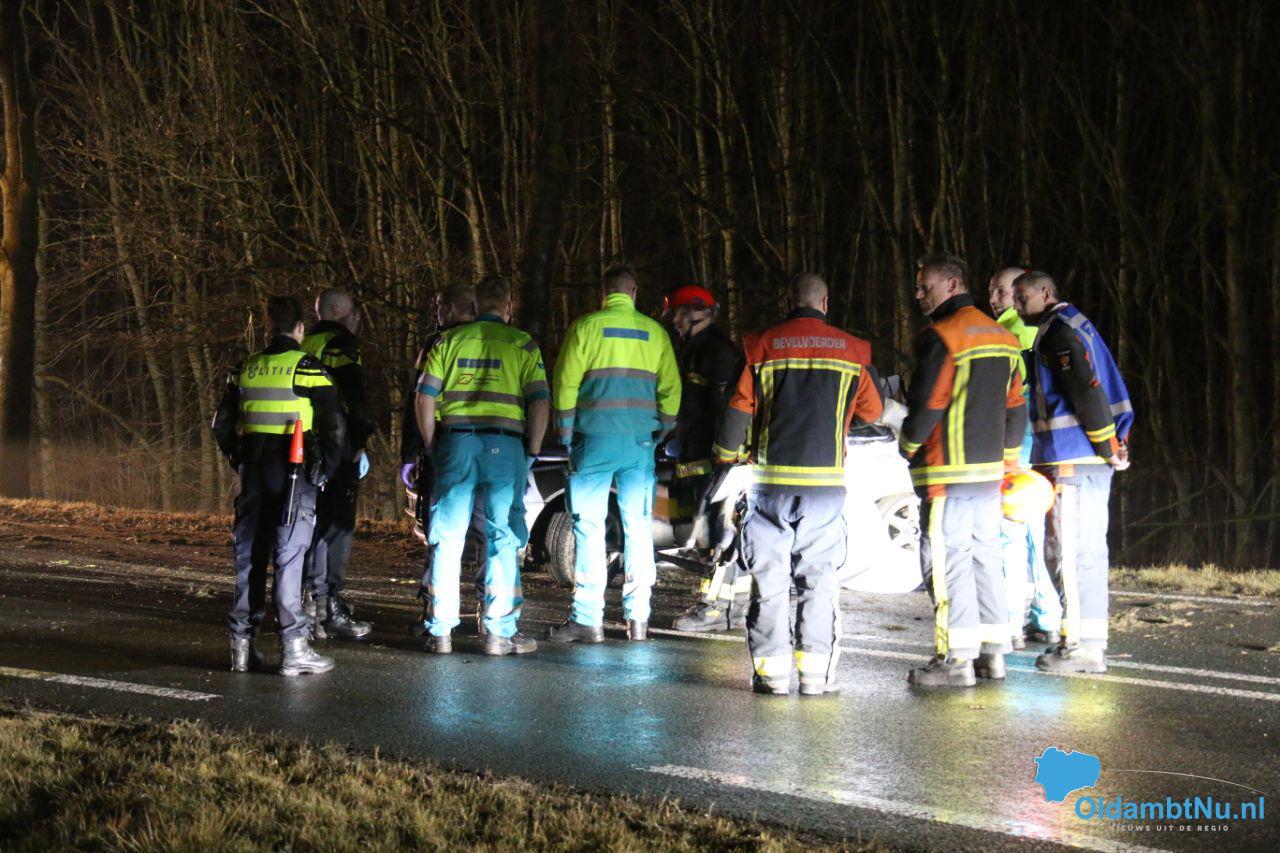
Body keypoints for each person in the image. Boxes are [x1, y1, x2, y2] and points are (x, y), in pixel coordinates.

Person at [713, 272, 883, 695]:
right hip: (824, 491)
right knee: (818, 583)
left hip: (770, 488)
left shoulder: (761, 346)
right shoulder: (853, 351)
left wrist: (724, 455)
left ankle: (771, 676)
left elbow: (738, 410)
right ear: (825, 304)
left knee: (768, 583)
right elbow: (873, 411)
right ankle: (815, 677)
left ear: (788, 302)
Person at [900, 255, 1026, 688]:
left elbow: (929, 403)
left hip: (946, 475)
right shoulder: (1005, 338)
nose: (918, 294)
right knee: (986, 560)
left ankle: (954, 660)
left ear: (952, 285)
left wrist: (908, 444)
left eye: (925, 286)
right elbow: (1016, 407)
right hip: (988, 476)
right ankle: (993, 655)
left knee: (947, 564)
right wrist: (1009, 463)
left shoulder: (943, 336)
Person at [211, 295, 346, 676]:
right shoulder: (308, 368)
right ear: (300, 328)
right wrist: (325, 470)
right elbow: (335, 424)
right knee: (289, 555)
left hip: (254, 468)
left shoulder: (246, 368)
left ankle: (241, 646)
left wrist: (239, 455)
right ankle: (294, 648)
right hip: (293, 470)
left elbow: (221, 424)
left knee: (250, 553)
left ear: (268, 327)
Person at [546, 265, 681, 643]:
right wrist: (662, 428)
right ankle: (639, 620)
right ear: (634, 293)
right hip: (639, 444)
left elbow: (565, 383)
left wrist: (566, 432)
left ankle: (588, 619)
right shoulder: (655, 332)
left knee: (589, 527)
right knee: (639, 526)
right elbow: (671, 389)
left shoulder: (585, 328)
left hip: (593, 440)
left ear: (602, 294)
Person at [415, 276, 550, 655]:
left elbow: (424, 397)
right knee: (501, 537)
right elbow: (540, 401)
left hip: (456, 443)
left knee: (447, 537)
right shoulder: (523, 344)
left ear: (474, 306)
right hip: (505, 446)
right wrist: (532, 449)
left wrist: (431, 443)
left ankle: (440, 632)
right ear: (509, 307)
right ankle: (497, 633)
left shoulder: (448, 341)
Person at [1013, 271, 1133, 674]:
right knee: (1080, 551)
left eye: (1023, 297)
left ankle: (1082, 647)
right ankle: (1082, 641)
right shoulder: (1074, 324)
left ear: (1046, 293)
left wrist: (1107, 446)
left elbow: (1084, 390)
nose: (1017, 306)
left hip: (1071, 457)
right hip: (1081, 457)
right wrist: (1112, 445)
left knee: (1069, 552)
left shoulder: (1058, 333)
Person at [400, 283, 490, 631]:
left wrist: (412, 451)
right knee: (488, 533)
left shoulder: (437, 343)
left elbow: (418, 397)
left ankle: (434, 614)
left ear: (453, 307)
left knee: (441, 533)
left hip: (444, 446)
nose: (436, 311)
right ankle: (488, 613)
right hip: (492, 450)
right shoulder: (499, 341)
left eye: (439, 304)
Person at [661, 285, 746, 633]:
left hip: (714, 456)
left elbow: (727, 409)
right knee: (702, 530)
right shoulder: (694, 348)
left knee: (719, 531)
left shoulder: (717, 351)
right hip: (695, 453)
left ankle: (715, 609)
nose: (674, 322)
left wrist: (724, 457)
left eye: (677, 314)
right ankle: (736, 608)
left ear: (696, 312)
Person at [989, 267, 1061, 648]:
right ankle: (1048, 618)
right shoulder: (1048, 328)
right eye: (993, 292)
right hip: (1048, 445)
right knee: (1042, 531)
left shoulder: (1004, 333)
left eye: (1002, 292)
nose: (996, 299)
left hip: (1017, 442)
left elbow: (1007, 396)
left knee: (1009, 531)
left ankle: (1010, 622)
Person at [300, 289, 375, 640]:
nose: (359, 318)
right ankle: (330, 604)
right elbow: (353, 395)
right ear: (342, 312)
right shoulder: (341, 344)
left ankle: (308, 604)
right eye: (355, 311)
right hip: (336, 445)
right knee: (337, 527)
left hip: (304, 446)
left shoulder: (304, 343)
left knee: (309, 525)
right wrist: (359, 442)